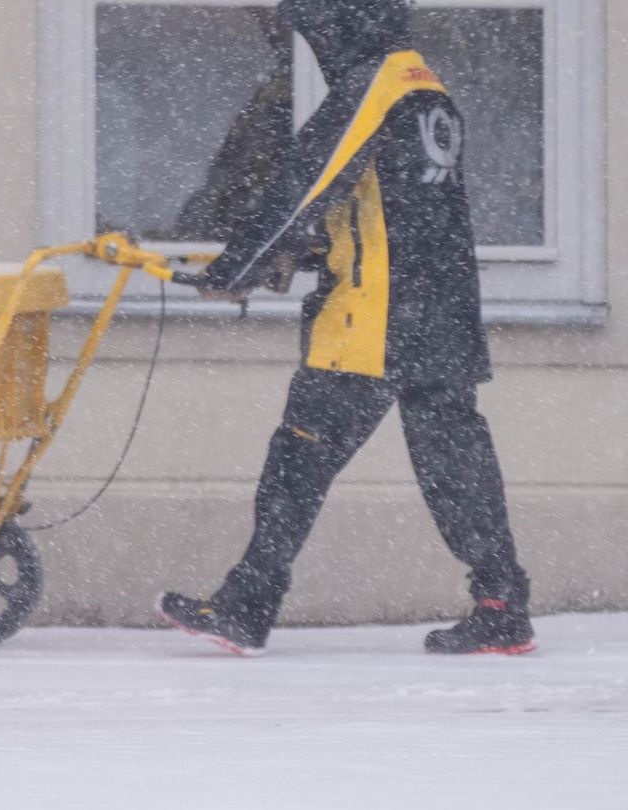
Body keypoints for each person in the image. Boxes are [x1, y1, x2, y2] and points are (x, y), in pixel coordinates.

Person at [156, 0, 535, 656]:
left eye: (314, 31)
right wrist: (302, 253)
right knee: (455, 464)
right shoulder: (427, 87)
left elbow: (305, 184)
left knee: (298, 458)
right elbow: (389, 207)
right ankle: (502, 603)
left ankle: (247, 604)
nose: (312, 47)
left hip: (377, 319)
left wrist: (236, 267)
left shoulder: (375, 87)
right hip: (440, 315)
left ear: (344, 24)